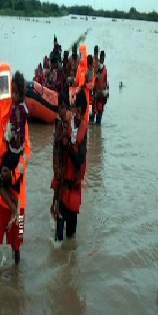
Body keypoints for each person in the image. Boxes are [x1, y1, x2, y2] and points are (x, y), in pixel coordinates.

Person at [0, 64, 30, 268]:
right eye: (1, 83)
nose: (5, 89)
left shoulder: (19, 112)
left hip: (18, 192)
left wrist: (13, 175)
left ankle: (17, 279)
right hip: (0, 194)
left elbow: (27, 152)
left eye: (8, 84)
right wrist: (4, 141)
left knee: (17, 244)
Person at [0, 71, 29, 230]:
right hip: (7, 193)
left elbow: (25, 149)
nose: (11, 95)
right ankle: (14, 204)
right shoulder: (18, 109)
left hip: (17, 178)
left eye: (14, 92)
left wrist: (14, 174)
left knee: (19, 238)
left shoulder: (17, 112)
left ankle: (14, 209)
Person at [53, 91, 89, 242]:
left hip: (74, 188)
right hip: (63, 186)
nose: (79, 116)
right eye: (77, 112)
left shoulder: (84, 130)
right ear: (74, 109)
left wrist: (67, 146)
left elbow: (79, 159)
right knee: (59, 237)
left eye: (82, 113)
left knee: (70, 234)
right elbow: (56, 150)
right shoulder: (64, 124)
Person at [50, 93, 71, 222]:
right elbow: (56, 139)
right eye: (61, 108)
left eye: (64, 108)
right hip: (56, 155)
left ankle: (55, 206)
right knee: (59, 181)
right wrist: (63, 134)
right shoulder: (59, 122)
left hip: (59, 154)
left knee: (61, 181)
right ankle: (55, 207)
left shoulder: (63, 120)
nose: (62, 110)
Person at [92, 50, 109, 124]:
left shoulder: (105, 70)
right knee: (91, 117)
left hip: (100, 97)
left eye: (103, 58)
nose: (102, 59)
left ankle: (97, 127)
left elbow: (105, 82)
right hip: (94, 95)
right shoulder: (95, 67)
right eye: (101, 57)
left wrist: (106, 95)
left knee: (99, 118)